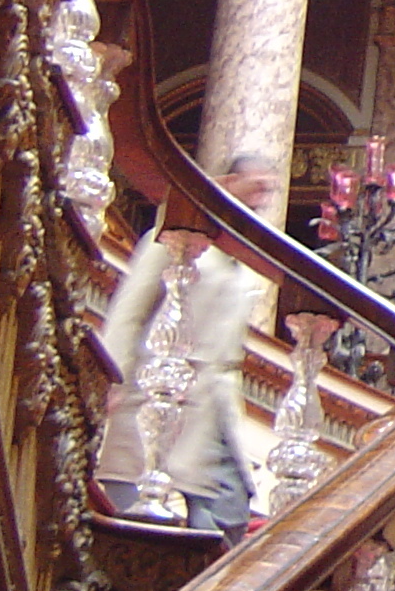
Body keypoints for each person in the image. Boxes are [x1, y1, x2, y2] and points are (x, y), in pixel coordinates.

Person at [92, 157, 279, 539]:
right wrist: (110, 375)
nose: (264, 195)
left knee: (228, 514)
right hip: (154, 398)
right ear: (228, 182)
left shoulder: (241, 260)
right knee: (135, 511)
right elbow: (129, 311)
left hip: (213, 410)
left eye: (269, 188)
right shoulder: (176, 239)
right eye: (256, 184)